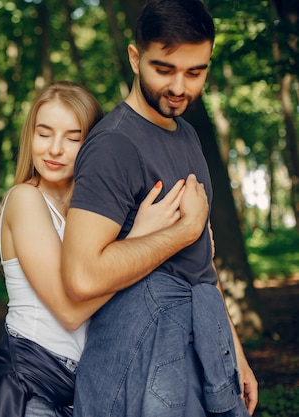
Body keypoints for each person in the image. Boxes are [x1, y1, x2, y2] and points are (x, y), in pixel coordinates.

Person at [61, 1, 258, 416]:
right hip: (144, 354)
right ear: (135, 58)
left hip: (202, 340)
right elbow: (81, 276)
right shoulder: (114, 144)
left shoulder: (186, 134)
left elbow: (200, 261)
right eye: (164, 69)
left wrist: (233, 352)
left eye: (195, 72)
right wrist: (180, 233)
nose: (180, 87)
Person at [0, 81, 187, 417]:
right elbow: (71, 311)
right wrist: (142, 239)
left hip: (82, 392)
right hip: (27, 386)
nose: (54, 149)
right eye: (44, 133)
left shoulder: (94, 214)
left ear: (92, 145)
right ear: (30, 137)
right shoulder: (25, 199)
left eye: (73, 137)